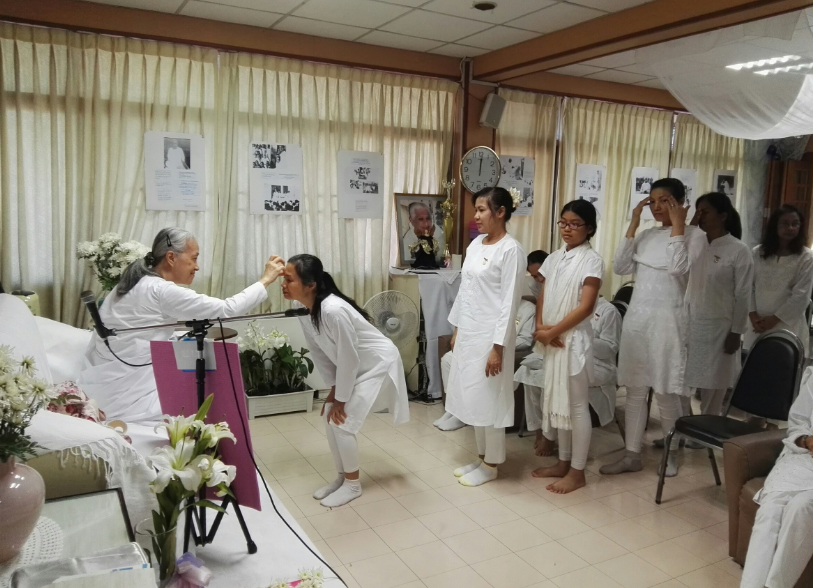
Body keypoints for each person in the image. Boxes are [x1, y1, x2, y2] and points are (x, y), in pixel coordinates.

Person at [77, 228, 284, 423]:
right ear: (171, 257)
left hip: (105, 380)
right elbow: (226, 309)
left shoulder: (130, 283)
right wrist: (266, 279)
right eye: (194, 258)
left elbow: (142, 331)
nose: (197, 267)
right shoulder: (161, 291)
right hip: (130, 388)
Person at [283, 254, 409, 507]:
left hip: (378, 364)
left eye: (289, 279)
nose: (283, 285)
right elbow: (321, 354)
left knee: (342, 421)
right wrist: (334, 392)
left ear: (310, 285)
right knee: (330, 414)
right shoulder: (306, 310)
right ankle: (342, 478)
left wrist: (342, 399)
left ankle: (353, 486)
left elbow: (348, 358)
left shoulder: (333, 310)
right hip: (357, 366)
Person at [600, 178, 705, 478]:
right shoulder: (645, 235)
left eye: (665, 201)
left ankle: (671, 455)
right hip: (638, 322)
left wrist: (679, 226)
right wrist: (633, 223)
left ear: (680, 203)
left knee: (666, 392)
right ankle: (632, 454)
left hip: (669, 323)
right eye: (653, 201)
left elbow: (677, 268)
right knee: (635, 390)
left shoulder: (696, 236)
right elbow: (620, 267)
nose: (657, 207)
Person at [444, 186, 525, 487]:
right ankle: (481, 457)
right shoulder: (476, 244)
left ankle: (492, 465)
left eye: (482, 210)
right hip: (469, 332)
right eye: (476, 209)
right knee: (473, 397)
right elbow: (465, 291)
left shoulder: (511, 250)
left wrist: (497, 348)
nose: (476, 216)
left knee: (490, 400)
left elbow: (509, 303)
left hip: (492, 337)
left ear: (500, 212)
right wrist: (457, 329)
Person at [529, 200, 604, 494]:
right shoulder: (554, 258)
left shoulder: (592, 260)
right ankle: (562, 463)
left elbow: (586, 307)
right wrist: (541, 327)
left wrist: (552, 331)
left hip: (573, 342)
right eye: (563, 222)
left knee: (576, 407)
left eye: (575, 224)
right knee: (557, 401)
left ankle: (577, 471)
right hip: (553, 339)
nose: (567, 229)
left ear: (589, 228)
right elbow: (543, 296)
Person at [521, 295, 621, 457]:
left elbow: (610, 348)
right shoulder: (569, 305)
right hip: (564, 356)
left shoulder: (608, 311)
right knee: (528, 372)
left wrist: (580, 337)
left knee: (553, 379)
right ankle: (540, 428)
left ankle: (549, 436)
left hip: (598, 364)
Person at [740, 367, 813, 588]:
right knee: (770, 509)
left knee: (802, 507)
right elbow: (798, 422)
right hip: (803, 458)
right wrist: (806, 440)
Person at [685, 193, 753, 416]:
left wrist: (736, 332)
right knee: (682, 382)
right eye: (697, 211)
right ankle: (682, 427)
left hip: (720, 328)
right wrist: (689, 230)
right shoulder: (693, 243)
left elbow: (743, 295)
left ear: (723, 216)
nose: (699, 216)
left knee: (714, 385)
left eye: (705, 212)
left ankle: (707, 428)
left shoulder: (738, 250)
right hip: (690, 323)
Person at [436, 298, 536, 432]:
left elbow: (525, 340)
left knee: (476, 367)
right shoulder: (492, 302)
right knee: (448, 359)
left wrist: (496, 347)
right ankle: (454, 407)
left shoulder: (528, 309)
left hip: (502, 351)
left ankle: (463, 415)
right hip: (481, 346)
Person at [745, 205, 813, 358]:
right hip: (757, 324)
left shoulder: (806, 257)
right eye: (785, 223)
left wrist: (774, 320)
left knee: (783, 367)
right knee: (754, 368)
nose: (790, 228)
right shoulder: (757, 253)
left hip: (788, 325)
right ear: (775, 225)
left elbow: (801, 296)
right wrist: (753, 316)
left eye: (795, 224)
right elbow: (749, 287)